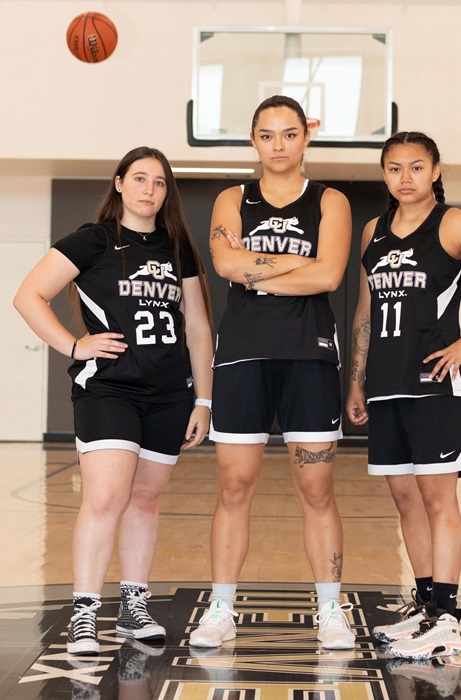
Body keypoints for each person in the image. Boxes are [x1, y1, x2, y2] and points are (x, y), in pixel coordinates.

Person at [13, 146, 213, 655]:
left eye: (160, 182)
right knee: (105, 498)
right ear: (120, 184)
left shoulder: (177, 248)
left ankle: (134, 606)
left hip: (169, 395)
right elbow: (28, 295)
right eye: (140, 179)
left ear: (167, 192)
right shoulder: (94, 240)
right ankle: (84, 612)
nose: (150, 189)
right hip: (109, 388)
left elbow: (197, 327)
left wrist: (203, 400)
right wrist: (74, 344)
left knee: (144, 500)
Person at [346, 131, 461, 659]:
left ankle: (446, 615)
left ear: (436, 170)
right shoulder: (373, 232)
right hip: (384, 383)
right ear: (384, 174)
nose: (406, 177)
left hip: (435, 382)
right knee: (405, 498)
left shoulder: (453, 223)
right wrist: (356, 378)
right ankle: (425, 607)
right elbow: (365, 310)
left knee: (436, 497)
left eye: (417, 167)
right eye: (395, 168)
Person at [189, 95, 355, 650]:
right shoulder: (231, 198)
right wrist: (294, 268)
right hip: (242, 355)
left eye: (289, 134)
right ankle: (219, 609)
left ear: (306, 136)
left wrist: (256, 273)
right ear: (253, 139)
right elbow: (224, 264)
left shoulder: (330, 200)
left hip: (310, 356)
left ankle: (331, 611)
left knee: (317, 488)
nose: (278, 145)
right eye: (267, 135)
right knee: (234, 487)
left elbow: (330, 275)